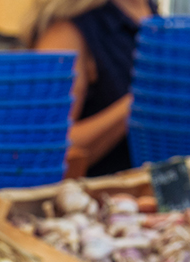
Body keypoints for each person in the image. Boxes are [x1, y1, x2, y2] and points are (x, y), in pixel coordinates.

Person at [33, 0, 158, 177]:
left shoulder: (152, 15)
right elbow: (45, 149)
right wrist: (139, 102)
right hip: (97, 191)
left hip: (154, 189)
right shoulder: (68, 29)